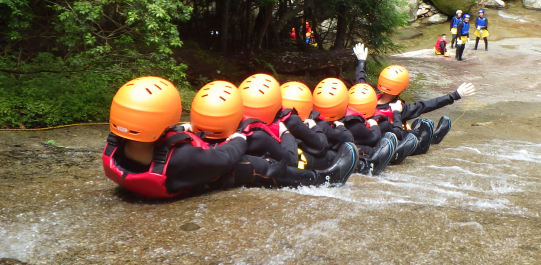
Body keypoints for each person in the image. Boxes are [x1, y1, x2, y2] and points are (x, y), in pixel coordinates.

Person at [102, 77, 357, 199]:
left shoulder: (116, 144)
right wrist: (238, 139)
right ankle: (324, 178)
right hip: (183, 178)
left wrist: (182, 130)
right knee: (250, 165)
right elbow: (224, 157)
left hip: (144, 177)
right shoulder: (183, 157)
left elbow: (153, 135)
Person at [352, 44, 476, 157]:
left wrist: (361, 61)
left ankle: (422, 131)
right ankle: (432, 137)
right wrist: (455, 95)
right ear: (400, 88)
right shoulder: (399, 108)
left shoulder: (367, 97)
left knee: (414, 125)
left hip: (369, 135)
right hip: (391, 136)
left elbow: (361, 81)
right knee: (411, 134)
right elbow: (427, 105)